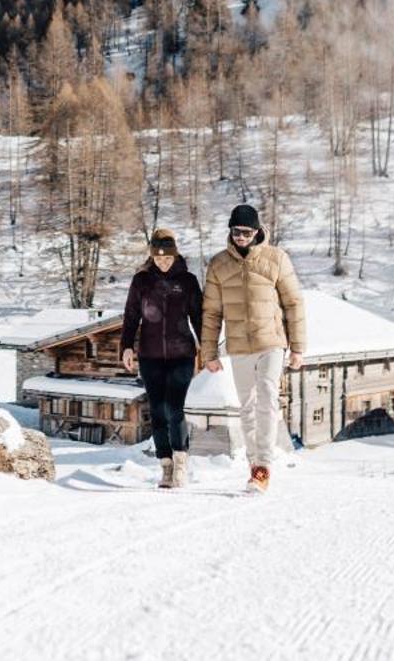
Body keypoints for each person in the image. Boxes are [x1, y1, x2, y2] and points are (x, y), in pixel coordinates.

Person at [200, 203, 305, 493]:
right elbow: (210, 312)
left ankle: (264, 466)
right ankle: (253, 464)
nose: (241, 237)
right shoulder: (219, 264)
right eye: (236, 232)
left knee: (267, 399)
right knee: (246, 407)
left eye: (246, 232)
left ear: (257, 231)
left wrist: (297, 347)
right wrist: (208, 353)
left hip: (271, 342)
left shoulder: (276, 258)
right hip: (239, 346)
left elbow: (293, 303)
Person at [120, 227, 204, 489]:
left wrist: (208, 347)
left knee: (174, 409)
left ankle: (180, 462)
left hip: (182, 355)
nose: (163, 262)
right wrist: (126, 347)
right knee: (157, 412)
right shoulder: (142, 281)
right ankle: (165, 466)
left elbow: (199, 317)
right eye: (158, 258)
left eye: (167, 258)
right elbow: (131, 316)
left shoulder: (188, 281)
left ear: (175, 255)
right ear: (152, 257)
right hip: (150, 356)